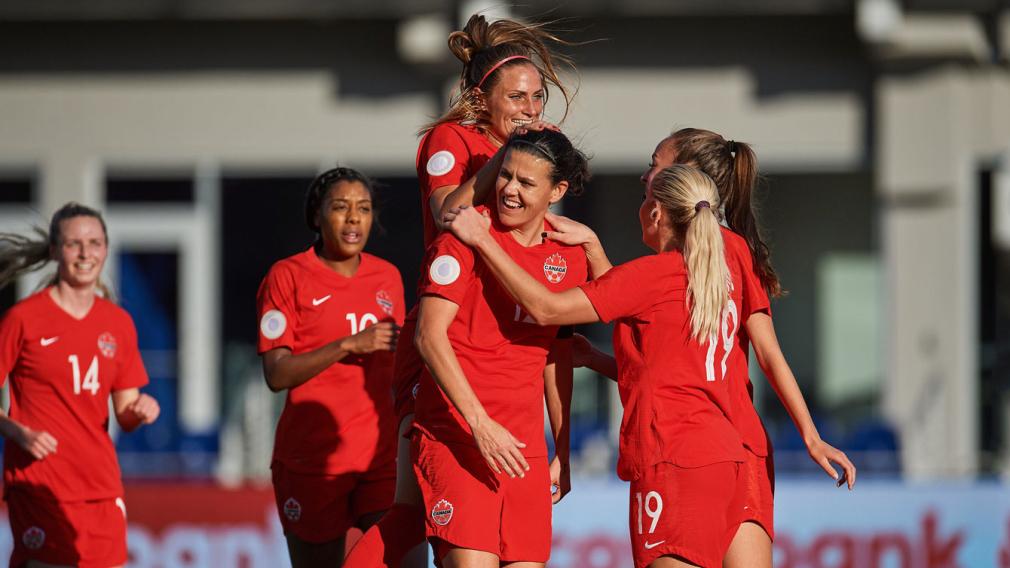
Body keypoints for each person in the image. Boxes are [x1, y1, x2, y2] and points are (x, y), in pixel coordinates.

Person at [444, 165, 793, 568]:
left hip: (674, 459)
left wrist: (483, 240)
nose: (641, 206)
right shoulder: (714, 276)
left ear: (657, 212)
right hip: (727, 461)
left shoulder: (655, 273)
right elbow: (667, 369)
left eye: (645, 198)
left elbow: (545, 308)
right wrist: (592, 356)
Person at [344, 13, 577, 568]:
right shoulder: (451, 139)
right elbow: (450, 213)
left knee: (417, 509)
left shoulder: (529, 154)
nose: (530, 108)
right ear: (481, 98)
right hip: (446, 327)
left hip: (498, 349)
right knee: (412, 503)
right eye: (516, 97)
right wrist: (505, 159)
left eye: (537, 97)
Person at [639, 128, 856, 568]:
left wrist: (812, 437)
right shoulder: (701, 255)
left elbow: (768, 353)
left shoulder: (721, 251)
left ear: (689, 175)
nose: (648, 174)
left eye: (657, 164)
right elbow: (675, 369)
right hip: (738, 453)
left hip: (701, 453)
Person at [412, 127, 590, 568]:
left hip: (523, 450)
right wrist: (479, 423)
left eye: (526, 183)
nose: (509, 190)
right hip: (459, 437)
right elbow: (428, 336)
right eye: (505, 176)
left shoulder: (567, 255)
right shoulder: (463, 234)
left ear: (557, 191)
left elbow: (557, 356)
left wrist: (562, 452)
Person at [257, 167, 405, 567]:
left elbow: (402, 366)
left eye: (364, 208)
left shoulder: (387, 277)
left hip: (380, 457)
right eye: (340, 207)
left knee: (406, 559)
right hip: (313, 463)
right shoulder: (287, 276)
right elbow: (276, 374)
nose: (354, 217)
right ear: (317, 216)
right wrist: (347, 345)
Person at [0, 202, 161, 568]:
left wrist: (140, 410)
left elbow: (125, 413)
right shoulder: (23, 319)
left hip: (101, 489)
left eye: (95, 242)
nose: (85, 253)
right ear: (55, 251)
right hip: (40, 485)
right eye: (74, 244)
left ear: (105, 249)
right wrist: (19, 432)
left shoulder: (118, 323)